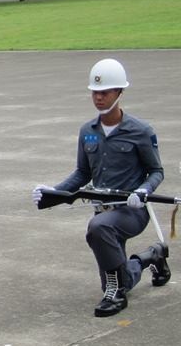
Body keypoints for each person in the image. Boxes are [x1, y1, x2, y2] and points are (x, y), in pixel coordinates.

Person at [32, 58, 169, 317]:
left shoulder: (140, 131)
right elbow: (82, 173)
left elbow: (156, 171)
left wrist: (142, 192)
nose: (99, 98)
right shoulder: (88, 131)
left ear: (119, 93)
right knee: (120, 276)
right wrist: (53, 191)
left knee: (98, 229)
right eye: (95, 92)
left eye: (105, 92)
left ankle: (116, 295)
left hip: (132, 211)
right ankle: (152, 256)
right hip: (103, 211)